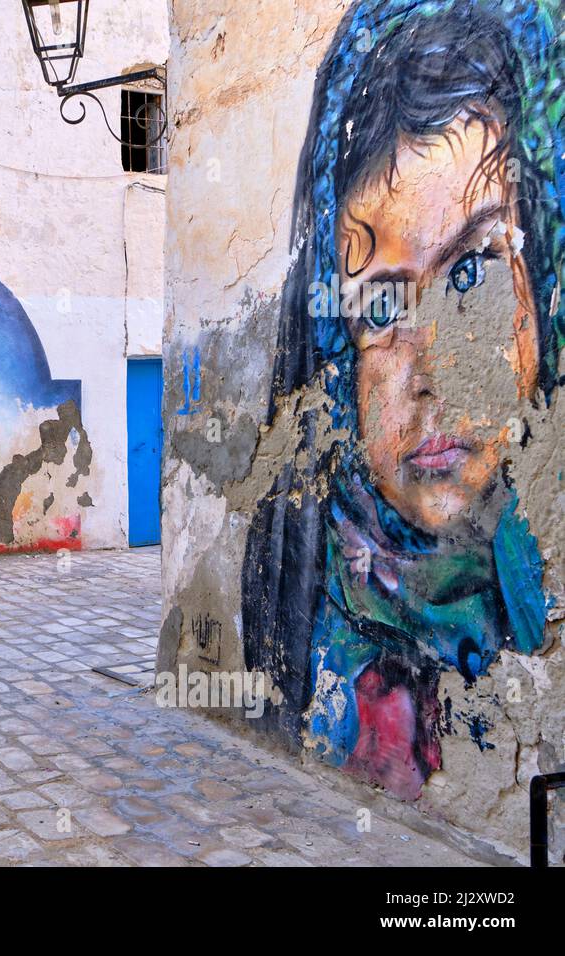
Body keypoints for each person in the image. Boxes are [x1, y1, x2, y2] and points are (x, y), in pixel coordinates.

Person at [242, 0, 555, 800]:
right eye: (381, 306)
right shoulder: (302, 602)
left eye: (473, 272)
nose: (432, 372)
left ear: (538, 290)